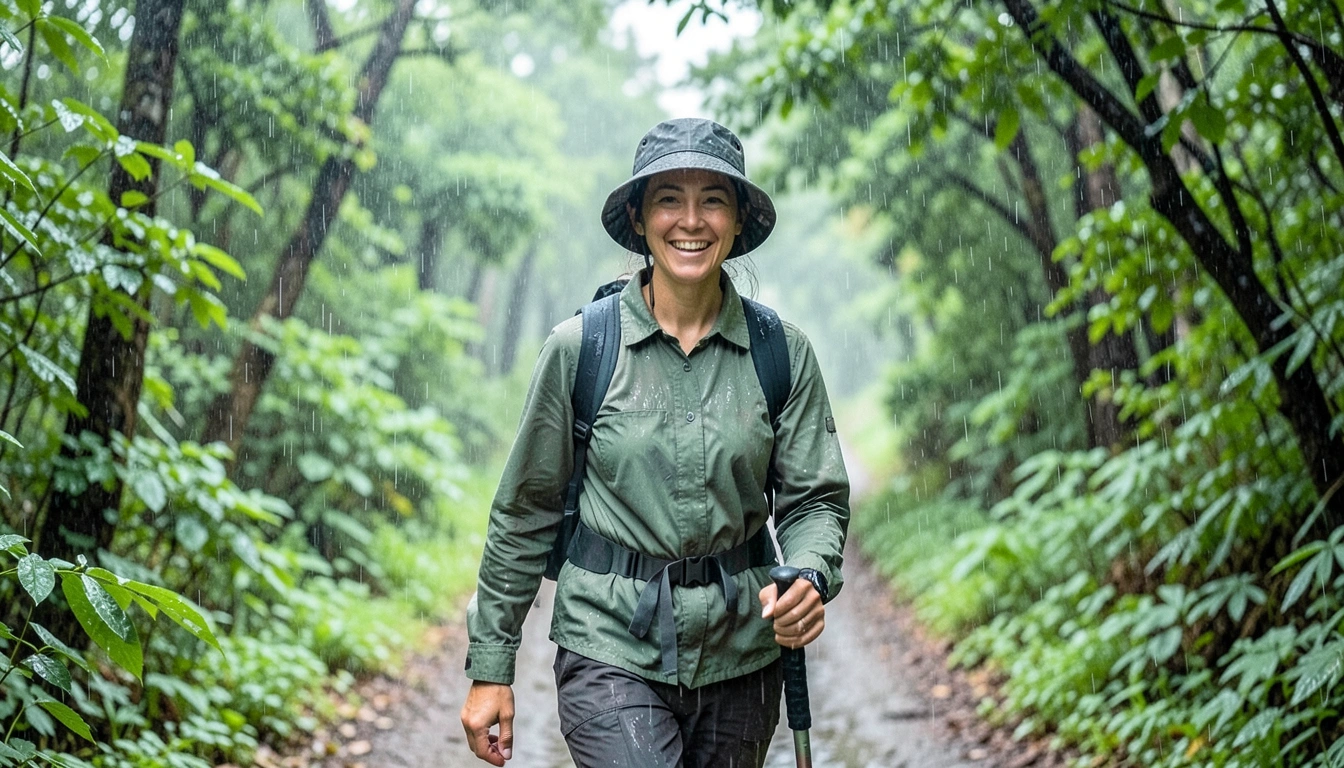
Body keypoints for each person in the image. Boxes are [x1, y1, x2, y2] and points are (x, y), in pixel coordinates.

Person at [459, 118, 850, 768]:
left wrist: (809, 572)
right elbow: (523, 514)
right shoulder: (582, 348)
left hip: (743, 652)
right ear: (640, 219)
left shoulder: (780, 352)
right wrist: (491, 668)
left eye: (713, 200)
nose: (690, 220)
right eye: (669, 198)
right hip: (607, 644)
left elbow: (813, 499)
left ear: (737, 220)